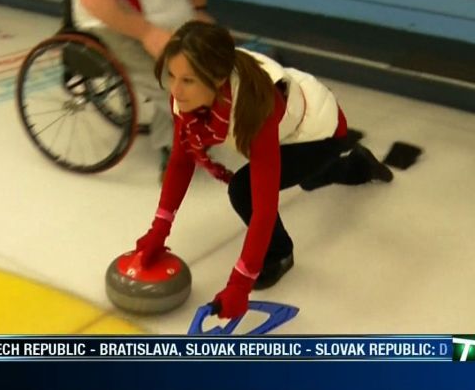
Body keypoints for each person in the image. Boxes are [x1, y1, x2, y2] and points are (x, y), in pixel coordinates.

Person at [133, 21, 394, 320]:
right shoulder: (187, 95)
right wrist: (159, 230)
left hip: (320, 131)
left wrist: (240, 283)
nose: (175, 90)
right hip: (291, 122)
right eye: (171, 75)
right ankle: (355, 164)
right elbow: (182, 160)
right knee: (309, 178)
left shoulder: (256, 110)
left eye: (188, 80)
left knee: (244, 190)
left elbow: (264, 207)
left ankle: (280, 254)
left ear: (218, 79)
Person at [71, 0, 213, 175]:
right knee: (175, 81)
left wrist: (199, 11)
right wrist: (147, 32)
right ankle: (172, 149)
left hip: (172, 15)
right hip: (117, 20)